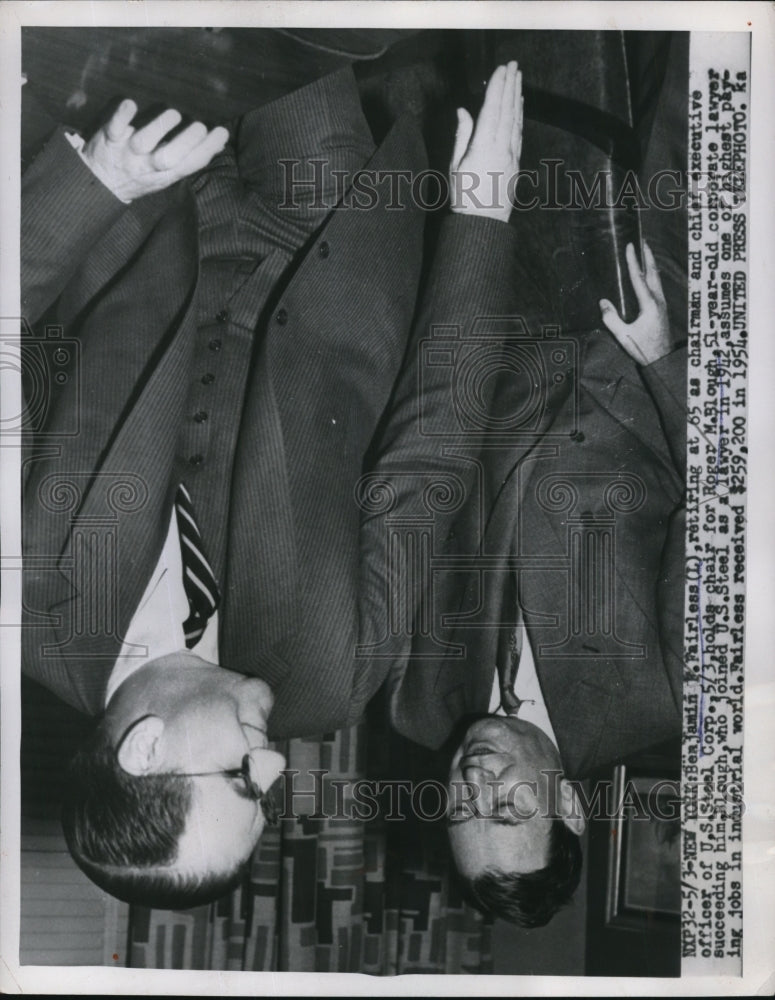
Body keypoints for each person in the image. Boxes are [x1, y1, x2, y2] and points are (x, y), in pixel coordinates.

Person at [21, 61, 525, 906]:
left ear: (144, 751)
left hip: (141, 198)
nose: (277, 762)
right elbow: (428, 459)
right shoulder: (328, 680)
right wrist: (481, 218)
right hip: (328, 230)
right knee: (309, 30)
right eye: (272, 791)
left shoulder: (24, 610)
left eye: (243, 782)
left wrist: (90, 187)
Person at [388, 236, 686, 927]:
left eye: (461, 807)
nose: (473, 781)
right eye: (507, 805)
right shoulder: (663, 701)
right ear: (570, 807)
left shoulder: (414, 703)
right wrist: (663, 357)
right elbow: (731, 505)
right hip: (643, 317)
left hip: (488, 308)